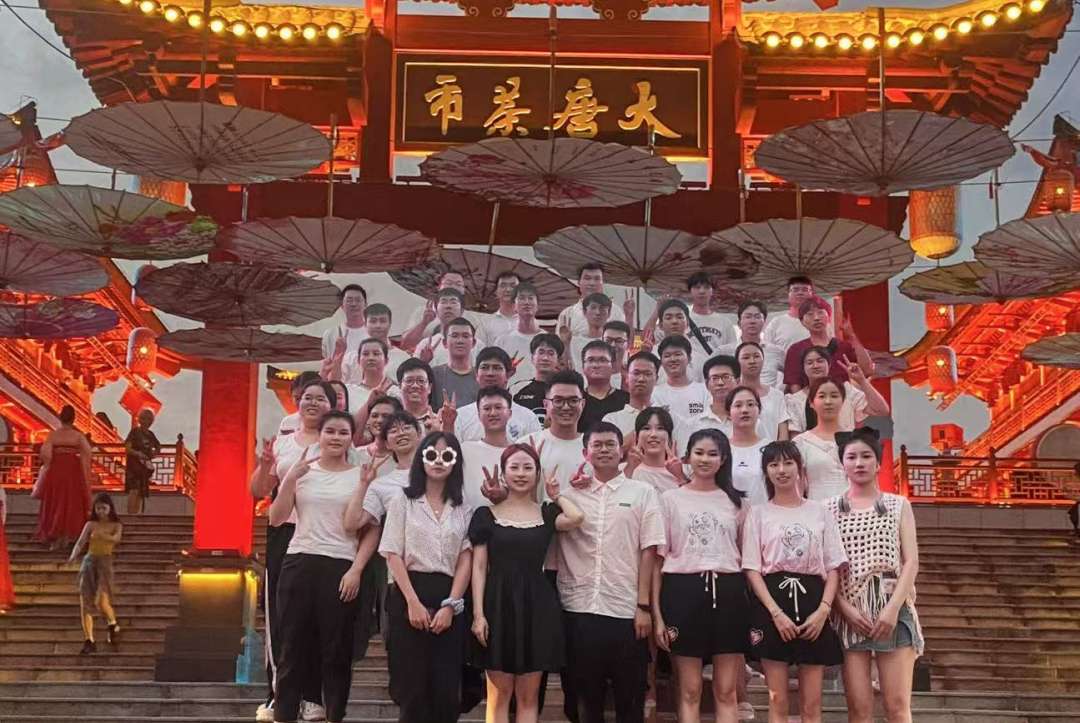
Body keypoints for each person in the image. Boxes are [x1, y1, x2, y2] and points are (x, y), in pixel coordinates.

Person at [556, 421, 665, 723]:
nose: (604, 450)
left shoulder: (643, 492)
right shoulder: (569, 496)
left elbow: (649, 550)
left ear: (622, 451)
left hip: (626, 611)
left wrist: (643, 606)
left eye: (610, 444)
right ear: (585, 453)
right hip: (578, 611)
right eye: (597, 445)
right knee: (583, 703)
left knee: (630, 700)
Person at [470, 444, 585, 723]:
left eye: (527, 467)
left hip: (537, 607)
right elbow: (480, 567)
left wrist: (556, 494)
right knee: (498, 695)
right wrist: (478, 614)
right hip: (497, 605)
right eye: (514, 467)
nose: (521, 473)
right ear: (504, 473)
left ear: (537, 474)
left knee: (528, 697)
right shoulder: (485, 515)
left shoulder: (546, 513)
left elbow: (576, 517)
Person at [269, 411, 366, 723]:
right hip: (300, 560)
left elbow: (365, 529)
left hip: (340, 564)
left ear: (351, 439)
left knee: (336, 651)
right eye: (330, 431)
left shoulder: (360, 476)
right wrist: (289, 478)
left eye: (343, 432)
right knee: (291, 648)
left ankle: (335, 715)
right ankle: (284, 715)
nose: (336, 438)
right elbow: (276, 519)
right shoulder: (302, 472)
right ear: (320, 435)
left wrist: (356, 570)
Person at [251, 380, 338, 723]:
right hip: (284, 532)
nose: (312, 403)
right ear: (298, 403)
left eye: (321, 399)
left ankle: (313, 696)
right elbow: (259, 490)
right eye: (307, 398)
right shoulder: (282, 443)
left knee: (316, 616)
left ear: (332, 405)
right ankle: (277, 694)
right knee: (280, 614)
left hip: (321, 535)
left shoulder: (335, 441)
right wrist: (263, 463)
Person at [742, 441, 846, 723]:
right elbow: (752, 568)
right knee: (777, 698)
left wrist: (824, 610)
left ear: (800, 468)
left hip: (814, 602)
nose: (781, 470)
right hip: (772, 603)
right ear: (766, 472)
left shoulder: (820, 511)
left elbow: (833, 565)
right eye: (774, 464)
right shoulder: (758, 513)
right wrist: (776, 613)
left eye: (788, 463)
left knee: (811, 702)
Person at [828, 428, 923, 723]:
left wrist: (892, 609)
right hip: (850, 612)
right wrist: (844, 608)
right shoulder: (828, 509)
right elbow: (826, 567)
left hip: (892, 605)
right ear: (842, 463)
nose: (859, 463)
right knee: (859, 709)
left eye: (866, 456)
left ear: (878, 462)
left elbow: (911, 561)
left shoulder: (898, 505)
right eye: (851, 457)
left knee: (897, 707)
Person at [653, 429, 748, 723]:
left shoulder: (738, 503)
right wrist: (657, 614)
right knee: (690, 689)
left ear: (723, 459)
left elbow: (746, 558)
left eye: (712, 454)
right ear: (688, 457)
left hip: (728, 593)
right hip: (683, 593)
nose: (705, 459)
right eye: (699, 453)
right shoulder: (670, 500)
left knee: (726, 691)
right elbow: (658, 560)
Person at [379, 432, 475, 723]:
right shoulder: (403, 500)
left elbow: (465, 558)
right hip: (409, 591)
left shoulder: (463, 507)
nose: (439, 461)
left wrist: (451, 605)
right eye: (431, 454)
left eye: (447, 455)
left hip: (449, 594)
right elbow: (392, 552)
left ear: (456, 462)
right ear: (421, 459)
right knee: (412, 689)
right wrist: (412, 602)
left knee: (446, 690)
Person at [676, 356, 768, 455]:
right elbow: (686, 459)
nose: (720, 383)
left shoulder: (754, 423)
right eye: (714, 378)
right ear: (707, 385)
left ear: (737, 382)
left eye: (726, 377)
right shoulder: (693, 424)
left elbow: (766, 454)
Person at [786, 349, 889, 435]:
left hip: (845, 450)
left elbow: (881, 410)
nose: (815, 366)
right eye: (809, 363)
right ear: (803, 369)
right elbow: (795, 439)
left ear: (829, 364)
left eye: (820, 361)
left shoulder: (846, 390)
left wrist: (861, 380)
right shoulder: (794, 401)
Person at [68, 492, 122, 654]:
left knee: (101, 601)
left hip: (104, 563)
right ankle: (89, 639)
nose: (101, 511)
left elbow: (116, 539)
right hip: (89, 562)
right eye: (98, 508)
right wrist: (73, 556)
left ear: (110, 508)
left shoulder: (116, 525)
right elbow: (80, 542)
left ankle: (112, 623)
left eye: (104, 508)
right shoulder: (90, 524)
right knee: (85, 603)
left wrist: (102, 535)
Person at [782, 297, 871, 392]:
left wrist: (852, 335)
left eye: (820, 312)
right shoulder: (796, 349)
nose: (816, 318)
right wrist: (801, 401)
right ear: (802, 322)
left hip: (843, 398)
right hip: (811, 398)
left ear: (829, 316)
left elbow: (866, 371)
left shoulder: (844, 346)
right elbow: (795, 385)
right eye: (810, 314)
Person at [518, 371, 587, 493]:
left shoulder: (594, 448)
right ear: (545, 404)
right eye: (558, 401)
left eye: (573, 400)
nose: (566, 407)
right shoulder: (526, 445)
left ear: (582, 404)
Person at [455, 348, 542, 443]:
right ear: (476, 374)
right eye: (484, 367)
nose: (490, 373)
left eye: (496, 368)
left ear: (508, 374)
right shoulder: (460, 417)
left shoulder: (527, 418)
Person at [35, 405, 93, 547]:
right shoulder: (78, 436)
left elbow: (46, 455)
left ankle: (54, 536)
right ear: (73, 419)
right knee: (71, 501)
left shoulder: (53, 435)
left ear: (60, 418)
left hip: (56, 469)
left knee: (55, 500)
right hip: (73, 470)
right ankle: (67, 535)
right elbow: (88, 452)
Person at [793, 377, 854, 502]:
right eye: (821, 396)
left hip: (853, 508)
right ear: (811, 403)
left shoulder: (857, 440)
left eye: (834, 396)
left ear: (843, 401)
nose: (828, 401)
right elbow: (797, 487)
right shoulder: (800, 443)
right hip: (817, 507)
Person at [329, 303, 410, 387]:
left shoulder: (403, 358)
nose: (378, 326)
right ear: (365, 324)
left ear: (390, 323)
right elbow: (334, 385)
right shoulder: (351, 357)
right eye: (373, 321)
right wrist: (339, 356)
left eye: (382, 321)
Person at [461, 387, 513, 509]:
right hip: (470, 518)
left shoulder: (518, 453)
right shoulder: (465, 449)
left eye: (498, 407)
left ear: (509, 413)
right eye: (487, 408)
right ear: (479, 416)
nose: (493, 413)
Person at [716, 300, 784, 389]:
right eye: (748, 317)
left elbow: (793, 377)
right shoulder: (723, 352)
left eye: (757, 317)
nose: (753, 321)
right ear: (739, 323)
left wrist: (780, 392)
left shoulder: (777, 351)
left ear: (764, 322)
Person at [603, 352, 664, 442]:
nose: (641, 379)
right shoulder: (612, 420)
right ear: (627, 377)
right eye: (636, 373)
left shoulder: (668, 417)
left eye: (647, 374)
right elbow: (608, 449)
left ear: (656, 379)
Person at [735, 342, 789, 442]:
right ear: (737, 363)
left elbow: (783, 434)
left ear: (763, 360)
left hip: (771, 451)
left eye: (756, 356)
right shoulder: (731, 396)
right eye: (746, 357)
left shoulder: (777, 396)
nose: (752, 361)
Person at [556, 263, 628, 337]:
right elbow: (558, 342)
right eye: (587, 278)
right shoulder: (567, 314)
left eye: (597, 279)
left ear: (603, 283)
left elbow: (625, 339)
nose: (592, 283)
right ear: (579, 282)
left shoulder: (616, 311)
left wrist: (629, 315)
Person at [624, 407, 685, 493]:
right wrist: (630, 468)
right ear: (637, 436)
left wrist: (681, 477)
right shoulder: (623, 469)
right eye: (646, 428)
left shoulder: (684, 470)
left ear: (669, 436)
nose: (653, 435)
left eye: (660, 428)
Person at [727, 387, 770, 506]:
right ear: (728, 413)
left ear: (759, 410)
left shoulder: (770, 448)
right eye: (738, 405)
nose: (745, 410)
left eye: (751, 404)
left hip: (765, 514)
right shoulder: (720, 450)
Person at [495, 283, 544, 384]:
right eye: (521, 298)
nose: (526, 302)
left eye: (531, 298)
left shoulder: (548, 339)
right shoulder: (502, 341)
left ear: (538, 306)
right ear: (513, 306)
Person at [577, 340, 630, 434]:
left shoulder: (627, 400)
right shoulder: (576, 400)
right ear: (583, 367)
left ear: (613, 366)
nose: (596, 365)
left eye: (602, 360)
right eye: (591, 360)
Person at [510, 333, 564, 423]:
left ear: (558, 360)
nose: (545, 358)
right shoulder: (516, 389)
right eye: (541, 352)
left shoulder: (565, 390)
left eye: (551, 353)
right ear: (532, 358)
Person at [761, 277, 821, 356]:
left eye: (805, 289)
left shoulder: (819, 322)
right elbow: (767, 352)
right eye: (795, 290)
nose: (800, 293)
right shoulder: (776, 322)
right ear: (788, 295)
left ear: (812, 294)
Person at [339, 338, 402, 414]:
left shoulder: (398, 391)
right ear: (358, 360)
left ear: (386, 360)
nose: (371, 358)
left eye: (376, 354)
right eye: (365, 354)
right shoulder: (348, 391)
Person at [653, 336, 710, 419]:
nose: (672, 359)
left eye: (678, 354)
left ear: (689, 359)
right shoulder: (653, 394)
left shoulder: (705, 391)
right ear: (661, 362)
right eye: (667, 356)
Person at [683, 272, 739, 350]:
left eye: (706, 287)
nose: (702, 291)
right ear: (690, 291)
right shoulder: (682, 320)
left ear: (712, 291)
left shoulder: (724, 322)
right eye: (697, 287)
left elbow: (732, 350)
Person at [431, 318, 480, 408]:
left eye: (466, 336)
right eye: (454, 336)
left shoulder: (481, 376)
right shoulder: (434, 374)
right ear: (445, 343)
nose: (460, 341)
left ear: (473, 343)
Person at [123, 409, 161, 515]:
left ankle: (136, 513)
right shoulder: (134, 432)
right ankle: (130, 513)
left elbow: (158, 446)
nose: (146, 421)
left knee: (141, 491)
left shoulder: (151, 434)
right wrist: (138, 454)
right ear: (139, 419)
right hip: (134, 465)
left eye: (149, 419)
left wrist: (153, 454)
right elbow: (127, 448)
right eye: (144, 418)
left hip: (145, 466)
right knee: (133, 489)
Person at [565, 293, 613, 369]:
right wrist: (566, 343)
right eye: (593, 308)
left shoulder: (613, 342)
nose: (598, 312)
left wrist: (629, 315)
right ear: (584, 312)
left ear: (609, 313)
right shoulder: (574, 342)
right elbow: (566, 367)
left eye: (602, 308)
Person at [320, 284, 368, 358]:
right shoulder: (330, 334)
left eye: (358, 300)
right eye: (349, 300)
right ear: (342, 305)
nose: (354, 304)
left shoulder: (376, 333)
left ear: (365, 305)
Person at [396, 359, 439, 434]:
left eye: (421, 381)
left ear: (430, 387)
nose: (415, 385)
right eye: (409, 381)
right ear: (399, 386)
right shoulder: (392, 422)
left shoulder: (440, 422)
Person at [477, 270, 521, 344]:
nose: (508, 289)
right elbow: (478, 349)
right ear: (496, 292)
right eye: (503, 286)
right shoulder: (486, 322)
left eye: (513, 286)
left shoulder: (529, 322)